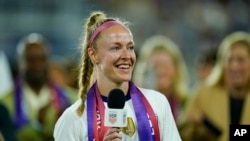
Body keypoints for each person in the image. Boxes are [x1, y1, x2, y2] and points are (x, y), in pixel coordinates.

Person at [53, 11, 181, 141]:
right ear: (93, 55)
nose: (126, 55)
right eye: (116, 48)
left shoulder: (158, 103)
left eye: (130, 47)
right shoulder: (73, 119)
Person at [180, 31, 250, 141]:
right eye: (229, 60)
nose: (234, 66)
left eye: (241, 60)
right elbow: (181, 134)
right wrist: (194, 127)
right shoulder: (203, 93)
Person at [0, 33, 71, 141]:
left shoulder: (71, 98)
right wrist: (39, 126)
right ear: (19, 62)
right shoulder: (5, 103)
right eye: (31, 60)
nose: (37, 65)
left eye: (42, 59)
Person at [133, 35, 189, 124]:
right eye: (155, 66)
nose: (161, 71)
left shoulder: (188, 105)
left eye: (166, 65)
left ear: (176, 69)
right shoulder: (132, 105)